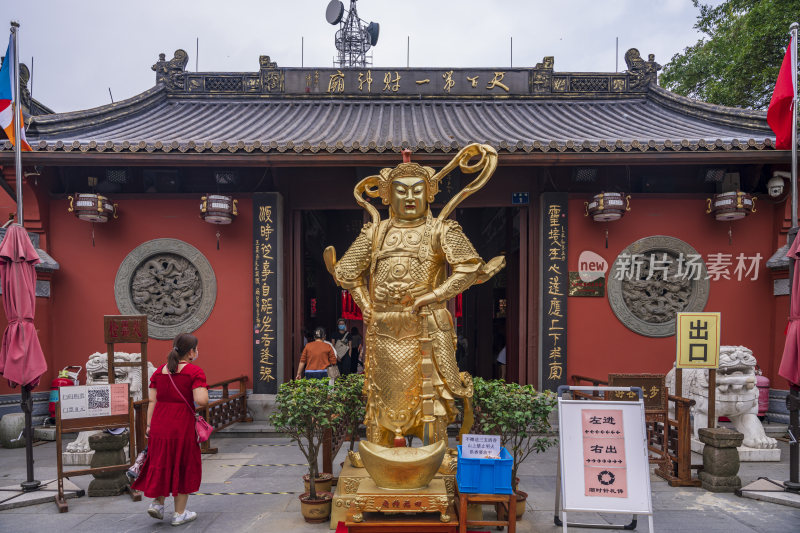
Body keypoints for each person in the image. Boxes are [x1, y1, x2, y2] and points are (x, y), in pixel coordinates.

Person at [325, 146, 504, 446]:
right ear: (387, 196)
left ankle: (437, 453)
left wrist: (434, 295)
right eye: (402, 191)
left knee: (432, 394)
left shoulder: (440, 229)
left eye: (417, 191)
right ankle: (378, 454)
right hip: (382, 330)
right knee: (381, 396)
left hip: (426, 327)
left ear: (428, 194)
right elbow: (345, 272)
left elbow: (470, 268)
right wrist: (365, 303)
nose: (410, 198)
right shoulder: (375, 232)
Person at [132, 333, 208, 526]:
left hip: (159, 424)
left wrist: (148, 425)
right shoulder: (194, 372)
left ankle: (157, 503)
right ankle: (179, 513)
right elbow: (201, 400)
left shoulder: (159, 372)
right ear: (191, 352)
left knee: (161, 462)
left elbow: (152, 401)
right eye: (196, 349)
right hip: (181, 426)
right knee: (183, 464)